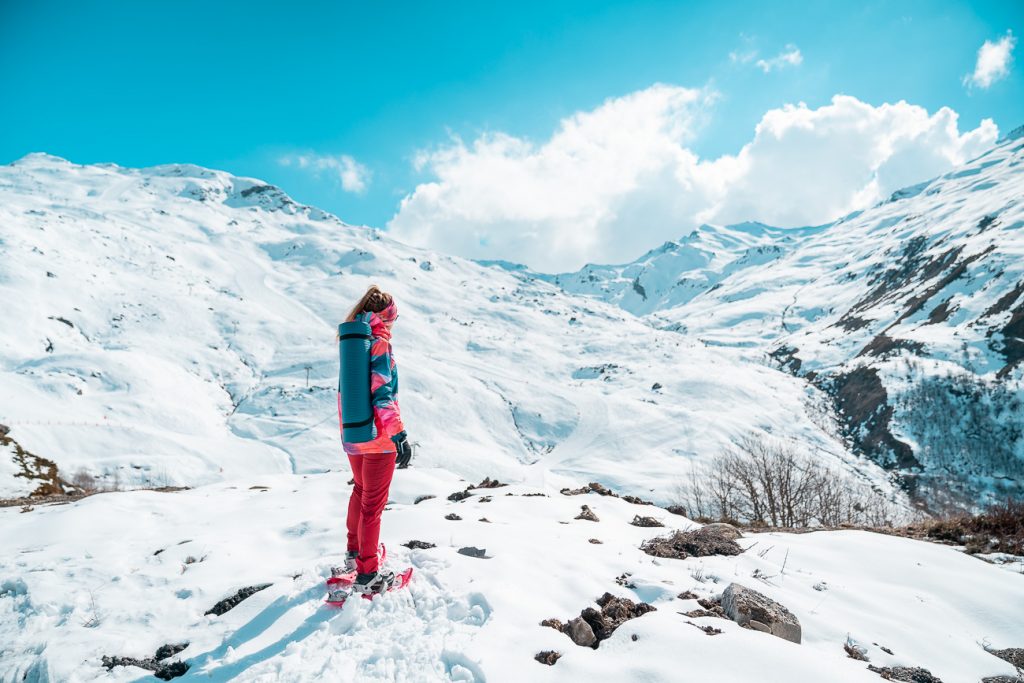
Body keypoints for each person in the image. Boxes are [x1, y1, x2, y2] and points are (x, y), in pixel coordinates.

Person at [336, 285, 413, 595]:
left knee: (360, 491)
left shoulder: (356, 341)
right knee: (373, 507)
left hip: (354, 434)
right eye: (393, 318)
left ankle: (354, 556)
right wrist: (399, 434)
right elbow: (381, 394)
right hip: (378, 437)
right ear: (387, 317)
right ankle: (368, 574)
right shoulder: (379, 344)